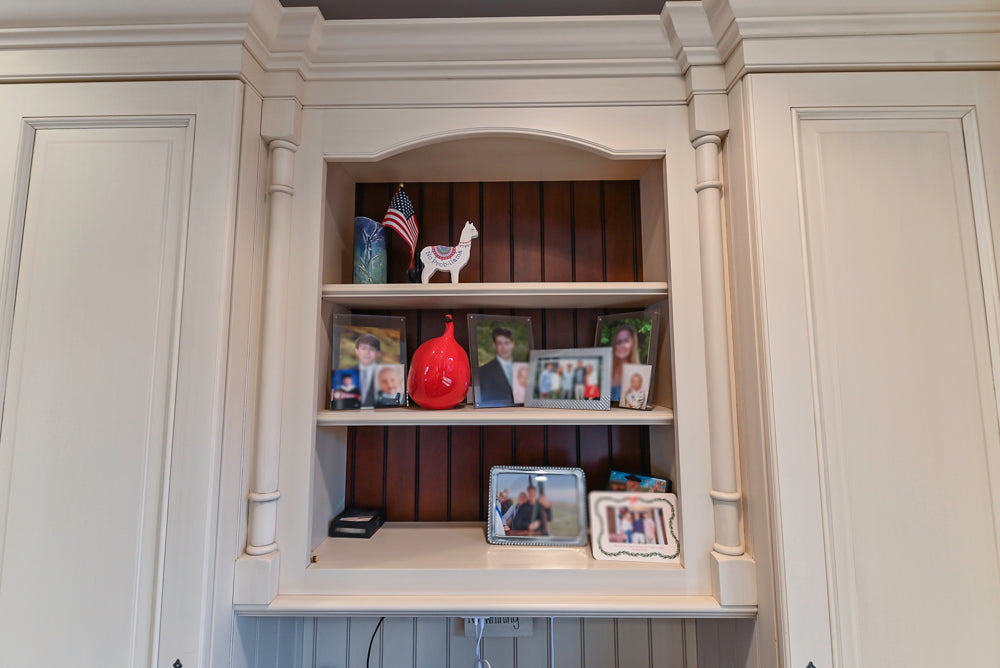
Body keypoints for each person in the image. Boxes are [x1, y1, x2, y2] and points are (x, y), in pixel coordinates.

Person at [477, 326, 516, 405]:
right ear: (494, 345)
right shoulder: (483, 371)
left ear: (512, 344)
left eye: (506, 343)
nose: (503, 347)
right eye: (500, 343)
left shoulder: (523, 367)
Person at [610, 324, 639, 401]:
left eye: (626, 341)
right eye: (618, 342)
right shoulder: (606, 370)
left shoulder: (638, 374)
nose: (622, 345)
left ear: (633, 344)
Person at [351, 333, 381, 407]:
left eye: (371, 349)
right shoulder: (349, 372)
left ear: (377, 353)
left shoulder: (385, 373)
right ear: (357, 350)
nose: (367, 352)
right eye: (364, 348)